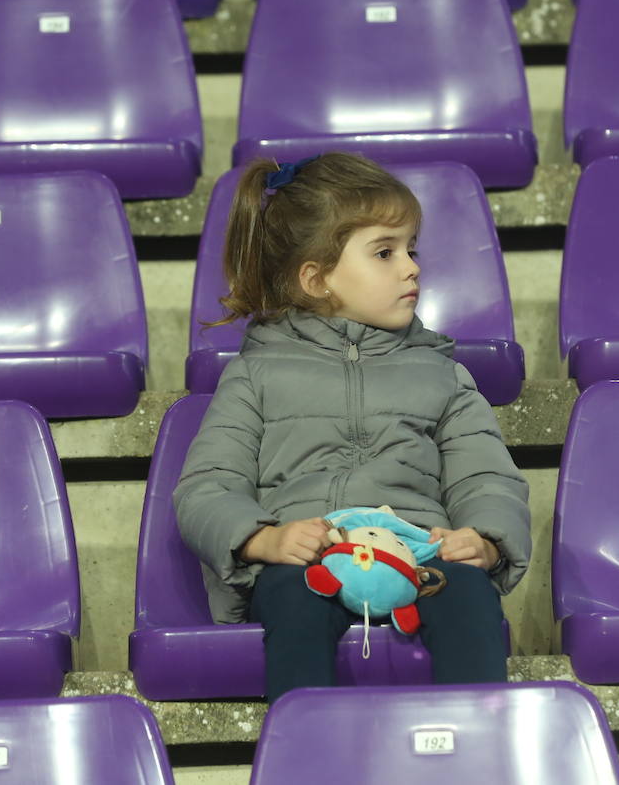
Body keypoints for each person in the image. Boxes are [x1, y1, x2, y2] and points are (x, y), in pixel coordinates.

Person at [174, 152, 530, 703]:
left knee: (468, 596)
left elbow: (486, 477)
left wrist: (483, 539)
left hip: (417, 555)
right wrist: (264, 538)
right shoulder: (256, 373)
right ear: (316, 279)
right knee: (294, 601)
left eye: (412, 249)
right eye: (385, 252)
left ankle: (478, 749)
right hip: (313, 559)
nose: (411, 266)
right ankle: (306, 755)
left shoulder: (443, 373)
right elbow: (206, 488)